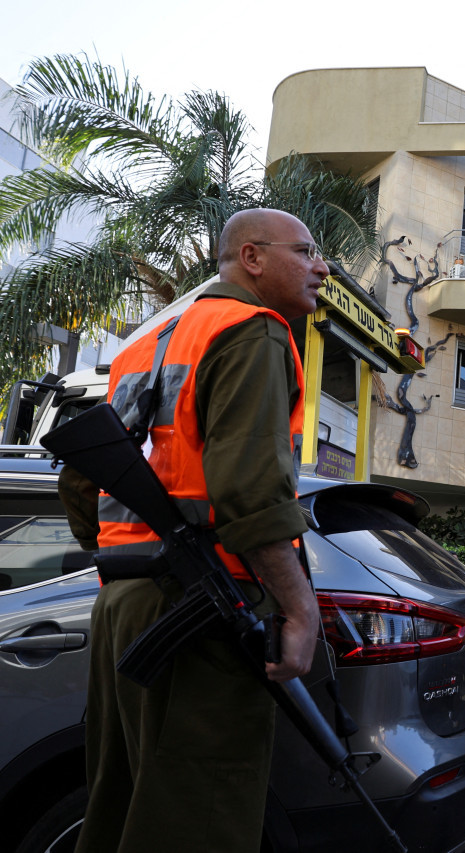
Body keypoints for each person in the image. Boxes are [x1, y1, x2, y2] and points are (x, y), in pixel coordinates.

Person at [64, 208, 326, 852]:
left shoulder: (145, 346)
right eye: (307, 251)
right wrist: (299, 608)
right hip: (201, 608)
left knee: (121, 805)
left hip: (126, 603)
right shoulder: (250, 331)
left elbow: (81, 481)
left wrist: (126, 560)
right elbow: (249, 489)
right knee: (198, 816)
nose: (322, 267)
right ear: (253, 258)